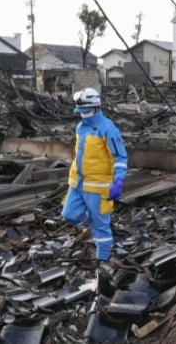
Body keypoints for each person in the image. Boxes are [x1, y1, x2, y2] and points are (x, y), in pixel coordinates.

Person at [61, 88, 127, 264]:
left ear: (97, 108)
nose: (84, 116)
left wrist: (118, 181)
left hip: (97, 188)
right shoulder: (80, 127)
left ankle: (102, 266)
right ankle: (93, 222)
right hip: (77, 184)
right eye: (81, 113)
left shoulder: (107, 129)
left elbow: (120, 157)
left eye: (87, 112)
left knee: (102, 234)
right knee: (68, 214)